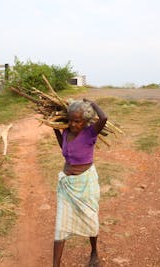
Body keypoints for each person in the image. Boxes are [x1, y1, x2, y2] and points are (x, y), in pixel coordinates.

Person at [52, 98, 108, 267]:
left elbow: (104, 118)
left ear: (85, 122)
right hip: (67, 185)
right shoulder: (65, 132)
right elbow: (64, 149)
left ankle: (94, 252)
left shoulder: (90, 133)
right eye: (70, 120)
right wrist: (55, 128)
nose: (73, 124)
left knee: (91, 220)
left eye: (77, 121)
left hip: (86, 184)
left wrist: (92, 103)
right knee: (60, 226)